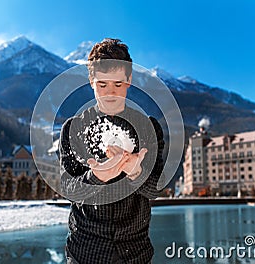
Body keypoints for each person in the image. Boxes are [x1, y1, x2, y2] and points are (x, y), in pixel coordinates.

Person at [59, 38, 165, 263]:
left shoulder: (149, 128)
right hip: (85, 251)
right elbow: (68, 188)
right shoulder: (73, 128)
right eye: (102, 84)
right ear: (91, 81)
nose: (110, 93)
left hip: (135, 253)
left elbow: (155, 189)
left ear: (129, 80)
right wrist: (96, 177)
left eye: (118, 84)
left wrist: (137, 173)